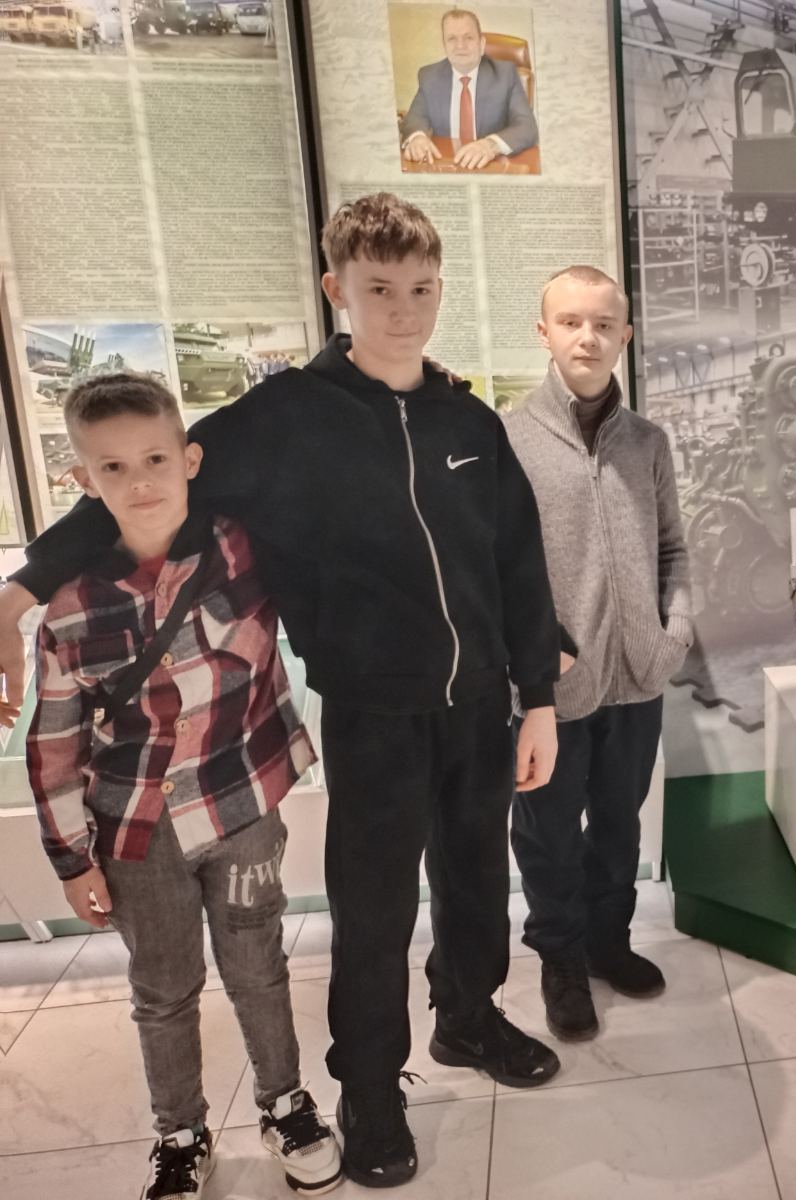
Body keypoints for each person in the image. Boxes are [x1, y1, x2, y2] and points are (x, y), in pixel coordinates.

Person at [0, 193, 566, 1188]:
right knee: (375, 909)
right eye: (380, 289)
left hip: (481, 704)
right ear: (337, 288)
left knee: (479, 878)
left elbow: (516, 561)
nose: (403, 310)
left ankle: (469, 1016)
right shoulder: (279, 420)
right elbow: (147, 484)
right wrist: (22, 587)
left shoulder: (468, 420)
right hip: (374, 712)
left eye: (422, 288)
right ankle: (371, 1089)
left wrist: (539, 696)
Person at [25, 373, 340, 1200]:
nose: (141, 482)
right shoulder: (69, 607)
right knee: (163, 990)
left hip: (241, 804)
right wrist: (71, 860)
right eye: (114, 468)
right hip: (137, 831)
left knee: (258, 965)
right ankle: (180, 1131)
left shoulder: (244, 548)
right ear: (84, 480)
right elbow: (54, 744)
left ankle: (285, 1102)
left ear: (191, 458)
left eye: (157, 458)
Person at [501, 266, 691, 1041]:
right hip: (551, 691)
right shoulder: (508, 439)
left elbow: (674, 548)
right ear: (544, 332)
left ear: (626, 336)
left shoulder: (648, 443)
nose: (589, 337)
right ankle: (562, 959)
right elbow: (491, 565)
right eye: (572, 322)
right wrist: (535, 653)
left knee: (619, 823)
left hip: (639, 679)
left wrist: (674, 632)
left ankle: (609, 941)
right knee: (546, 833)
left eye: (604, 324)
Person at [399, 7, 538, 170]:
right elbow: (414, 118)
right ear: (444, 45)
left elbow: (527, 127)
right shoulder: (430, 76)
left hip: (491, 166)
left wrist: (490, 145)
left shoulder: (505, 74)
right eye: (452, 38)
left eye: (468, 38)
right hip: (447, 164)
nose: (460, 46)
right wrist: (417, 138)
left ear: (482, 44)